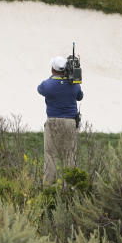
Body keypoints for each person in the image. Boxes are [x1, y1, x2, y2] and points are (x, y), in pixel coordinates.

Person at [37, 55, 84, 184]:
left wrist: (55, 78)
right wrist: (71, 78)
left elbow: (40, 89)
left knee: (51, 155)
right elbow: (80, 96)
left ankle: (49, 186)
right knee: (69, 155)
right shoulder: (73, 84)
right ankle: (70, 186)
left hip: (53, 121)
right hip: (70, 122)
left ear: (53, 69)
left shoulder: (48, 84)